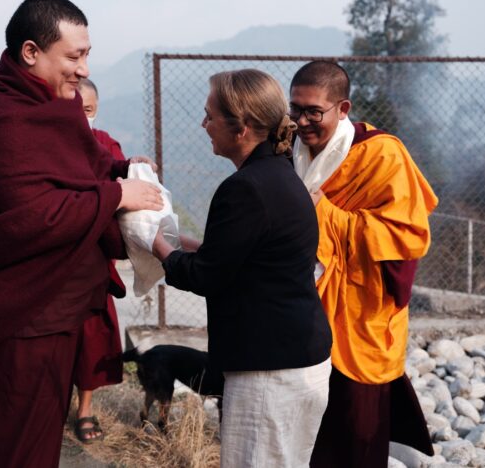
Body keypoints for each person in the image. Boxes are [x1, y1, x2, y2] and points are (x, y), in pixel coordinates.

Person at [0, 0, 162, 468]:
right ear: (30, 52)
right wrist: (116, 195)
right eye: (74, 56)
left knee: (36, 441)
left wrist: (124, 168)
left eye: (87, 55)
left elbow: (85, 164)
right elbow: (31, 218)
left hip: (54, 314)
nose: (84, 69)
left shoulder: (54, 110)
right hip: (15, 320)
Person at [152, 69, 333, 468]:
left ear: (243, 127)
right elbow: (255, 258)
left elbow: (205, 276)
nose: (204, 125)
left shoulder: (246, 187)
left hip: (270, 370)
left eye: (210, 116)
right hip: (300, 356)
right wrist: (194, 246)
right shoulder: (280, 175)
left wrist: (156, 245)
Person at [288, 61, 438, 467]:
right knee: (307, 428)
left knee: (357, 429)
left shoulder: (381, 154)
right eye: (295, 110)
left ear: (343, 108)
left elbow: (408, 235)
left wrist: (328, 215)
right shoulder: (289, 151)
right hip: (306, 307)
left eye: (313, 112)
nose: (301, 122)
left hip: (360, 308)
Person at [71, 78, 126, 442]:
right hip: (55, 257)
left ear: (96, 110)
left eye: (87, 111)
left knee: (91, 337)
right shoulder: (50, 141)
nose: (81, 118)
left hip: (93, 259)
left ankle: (85, 409)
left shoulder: (105, 143)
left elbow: (119, 174)